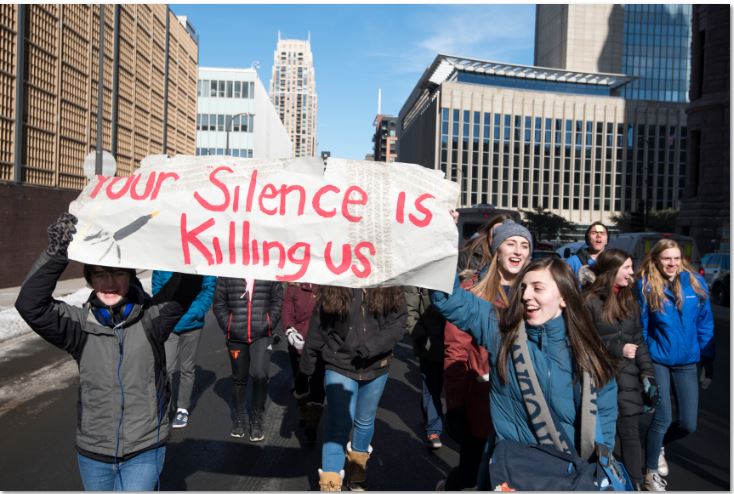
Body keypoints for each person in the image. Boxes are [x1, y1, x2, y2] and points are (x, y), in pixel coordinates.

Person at [15, 213, 202, 491]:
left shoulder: (152, 319)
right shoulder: (79, 326)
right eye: (100, 275)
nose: (110, 283)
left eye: (117, 273)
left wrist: (184, 234)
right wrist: (58, 252)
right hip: (94, 454)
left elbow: (187, 284)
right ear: (90, 280)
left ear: (130, 278)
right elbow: (31, 304)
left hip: (144, 448)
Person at [430, 256, 618, 491]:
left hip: (568, 476)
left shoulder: (588, 352)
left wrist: (601, 461)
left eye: (537, 288)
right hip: (512, 473)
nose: (526, 295)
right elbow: (449, 299)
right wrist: (442, 244)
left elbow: (606, 411)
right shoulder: (501, 332)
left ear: (564, 297)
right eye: (523, 288)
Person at [439, 219, 533, 490]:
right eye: (511, 243)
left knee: (509, 478)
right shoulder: (473, 291)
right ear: (496, 249)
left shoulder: (535, 294)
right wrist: (454, 405)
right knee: (471, 473)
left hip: (523, 405)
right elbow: (456, 351)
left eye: (524, 245)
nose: (517, 251)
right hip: (481, 403)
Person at [297, 286, 407, 492]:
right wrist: (307, 366)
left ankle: (357, 471)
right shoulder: (336, 284)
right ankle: (330, 484)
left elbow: (399, 321)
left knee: (365, 421)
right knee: (339, 423)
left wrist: (372, 347)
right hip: (339, 365)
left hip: (376, 365)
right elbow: (318, 327)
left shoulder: (390, 284)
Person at [636, 239, 714, 491]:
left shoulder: (694, 283)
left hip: (688, 362)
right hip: (659, 360)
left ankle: (659, 445)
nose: (672, 263)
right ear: (656, 259)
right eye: (666, 258)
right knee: (663, 418)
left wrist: (707, 359)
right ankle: (649, 474)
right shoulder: (645, 285)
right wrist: (645, 362)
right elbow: (642, 327)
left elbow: (705, 322)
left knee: (687, 424)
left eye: (676, 258)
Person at [583, 248, 658, 489]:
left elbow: (638, 341)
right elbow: (583, 340)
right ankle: (601, 482)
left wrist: (648, 374)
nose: (631, 272)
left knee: (630, 435)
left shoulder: (630, 300)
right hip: (600, 378)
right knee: (602, 438)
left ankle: (635, 484)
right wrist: (617, 347)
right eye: (626, 267)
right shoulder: (589, 300)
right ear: (611, 270)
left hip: (627, 378)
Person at [213, 276, 283, 442]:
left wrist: (269, 322)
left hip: (261, 334)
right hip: (236, 335)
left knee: (260, 375)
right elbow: (219, 302)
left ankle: (256, 420)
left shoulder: (268, 269)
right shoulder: (228, 272)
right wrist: (229, 324)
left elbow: (277, 299)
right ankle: (239, 418)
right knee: (239, 378)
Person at [151, 270, 217, 429]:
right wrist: (164, 310)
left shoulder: (198, 261)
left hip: (193, 324)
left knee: (187, 368)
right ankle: (163, 407)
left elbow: (209, 287)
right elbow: (156, 288)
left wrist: (197, 311)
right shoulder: (164, 260)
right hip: (169, 324)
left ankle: (182, 409)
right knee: (166, 368)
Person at [282, 282, 324, 443]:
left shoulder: (327, 285)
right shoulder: (293, 286)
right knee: (300, 383)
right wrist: (289, 329)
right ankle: (304, 411)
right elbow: (287, 310)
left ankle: (312, 425)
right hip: (298, 343)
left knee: (317, 384)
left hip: (321, 346)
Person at [404, 284, 446, 449]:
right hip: (430, 343)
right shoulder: (423, 275)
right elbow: (410, 308)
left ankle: (432, 415)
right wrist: (419, 334)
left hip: (457, 342)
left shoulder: (467, 268)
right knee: (432, 386)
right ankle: (434, 428)